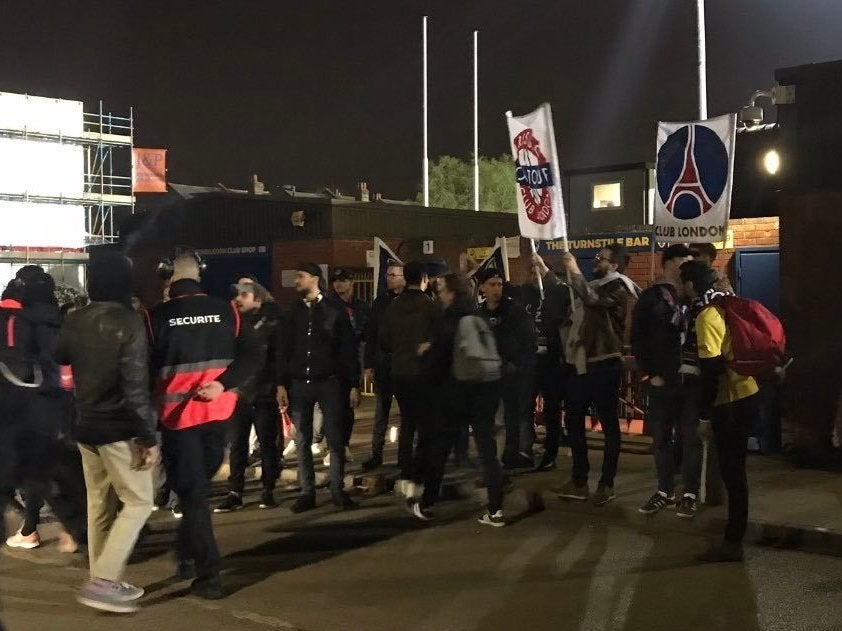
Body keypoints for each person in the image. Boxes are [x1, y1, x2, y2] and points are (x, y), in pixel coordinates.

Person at [149, 250, 264, 599]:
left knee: (193, 496)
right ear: (199, 276)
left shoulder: (154, 318)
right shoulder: (227, 311)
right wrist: (223, 384)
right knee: (197, 492)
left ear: (170, 278)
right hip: (218, 416)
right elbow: (253, 355)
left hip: (177, 420)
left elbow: (141, 373)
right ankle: (189, 554)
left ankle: (209, 573)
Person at [54, 252, 159, 613]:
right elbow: (135, 385)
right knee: (140, 500)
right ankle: (103, 582)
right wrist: (148, 435)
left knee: (99, 501)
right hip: (119, 427)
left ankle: (101, 577)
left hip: (85, 424)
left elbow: (60, 356)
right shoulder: (129, 321)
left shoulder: (76, 317)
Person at [533, 245, 639, 506]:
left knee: (609, 424)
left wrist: (574, 270)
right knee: (573, 418)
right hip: (581, 364)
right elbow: (567, 292)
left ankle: (606, 483)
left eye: (601, 259)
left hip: (604, 363)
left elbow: (593, 300)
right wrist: (544, 268)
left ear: (614, 265)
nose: (597, 261)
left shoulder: (619, 287)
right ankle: (579, 480)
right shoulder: (595, 283)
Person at [407, 273, 506, 527]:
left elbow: (438, 360)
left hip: (456, 392)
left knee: (440, 448)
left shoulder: (448, 319)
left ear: (451, 292)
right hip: (487, 388)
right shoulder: (479, 316)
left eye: (442, 289)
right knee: (487, 449)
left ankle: (426, 502)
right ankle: (495, 509)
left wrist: (425, 354)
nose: (439, 294)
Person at [681, 260, 759, 562]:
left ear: (690, 285)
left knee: (733, 473)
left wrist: (705, 417)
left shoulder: (706, 316)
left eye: (682, 282)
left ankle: (733, 541)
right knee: (735, 472)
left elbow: (710, 371)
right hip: (747, 393)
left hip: (731, 402)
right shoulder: (725, 304)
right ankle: (733, 536)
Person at [276, 263, 360, 513]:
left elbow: (348, 349)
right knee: (301, 440)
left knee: (335, 439)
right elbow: (283, 349)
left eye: (300, 276)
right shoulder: (292, 312)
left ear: (315, 279)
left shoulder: (334, 310)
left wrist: (353, 384)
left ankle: (337, 490)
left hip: (329, 383)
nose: (296, 281)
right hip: (300, 383)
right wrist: (281, 383)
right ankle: (307, 492)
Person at [631, 244, 701, 518]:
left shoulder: (694, 296)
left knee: (690, 437)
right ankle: (665, 490)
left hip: (691, 381)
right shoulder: (652, 298)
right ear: (668, 263)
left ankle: (690, 493)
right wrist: (651, 373)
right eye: (682, 261)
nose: (686, 266)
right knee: (661, 437)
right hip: (663, 380)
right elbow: (638, 337)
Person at [215, 279, 282, 513]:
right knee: (237, 445)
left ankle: (268, 489)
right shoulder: (232, 324)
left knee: (267, 444)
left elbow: (276, 359)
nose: (238, 299)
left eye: (244, 295)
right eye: (237, 295)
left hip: (264, 393)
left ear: (258, 299)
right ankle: (235, 492)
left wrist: (279, 386)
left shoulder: (272, 324)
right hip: (238, 394)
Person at [379, 261, 440, 493]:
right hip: (423, 373)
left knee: (407, 421)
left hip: (399, 371)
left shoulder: (393, 306)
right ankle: (421, 468)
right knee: (425, 423)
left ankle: (405, 466)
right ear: (424, 278)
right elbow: (439, 339)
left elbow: (384, 341)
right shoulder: (430, 306)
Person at [477, 268, 537, 469]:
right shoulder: (480, 314)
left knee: (513, 416)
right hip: (489, 376)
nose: (496, 289)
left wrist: (516, 365)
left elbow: (528, 341)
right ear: (483, 287)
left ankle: (513, 454)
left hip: (512, 375)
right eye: (492, 284)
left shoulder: (515, 311)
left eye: (499, 284)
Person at [520, 260, 572, 472]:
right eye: (531, 271)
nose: (535, 275)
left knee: (552, 408)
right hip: (529, 359)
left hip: (551, 360)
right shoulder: (525, 294)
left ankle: (550, 452)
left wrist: (546, 270)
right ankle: (525, 448)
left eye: (539, 270)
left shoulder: (558, 292)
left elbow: (567, 295)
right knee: (525, 405)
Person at [361, 263, 405, 470]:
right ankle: (376, 453)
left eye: (395, 275)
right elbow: (371, 334)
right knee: (381, 411)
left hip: (404, 365)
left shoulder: (410, 300)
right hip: (383, 364)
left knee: (406, 411)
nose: (390, 278)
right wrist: (368, 365)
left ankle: (405, 455)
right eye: (388, 275)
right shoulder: (380, 302)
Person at [328, 267, 370, 460]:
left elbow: (367, 335)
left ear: (352, 282)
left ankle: (343, 443)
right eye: (336, 281)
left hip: (354, 361)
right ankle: (335, 447)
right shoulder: (329, 306)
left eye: (343, 280)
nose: (339, 285)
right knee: (335, 408)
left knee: (350, 406)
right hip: (334, 363)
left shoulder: (361, 307)